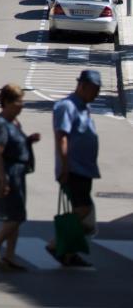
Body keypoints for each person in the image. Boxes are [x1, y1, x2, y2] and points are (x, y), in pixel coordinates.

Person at [47, 69, 102, 267]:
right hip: (73, 169)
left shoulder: (83, 106)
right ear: (82, 86)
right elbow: (61, 136)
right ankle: (56, 244)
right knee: (84, 210)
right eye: (95, 90)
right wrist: (64, 166)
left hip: (84, 168)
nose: (96, 94)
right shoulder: (67, 106)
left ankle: (69, 254)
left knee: (83, 210)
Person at [0, 83, 39, 271]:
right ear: (7, 102)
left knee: (16, 216)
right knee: (15, 217)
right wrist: (3, 179)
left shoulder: (14, 122)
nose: (21, 105)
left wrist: (28, 140)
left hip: (17, 173)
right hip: (7, 173)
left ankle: (9, 257)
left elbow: (15, 143)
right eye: (18, 101)